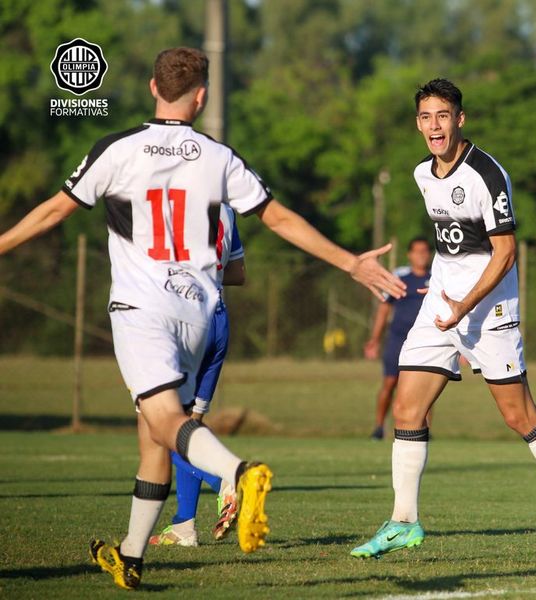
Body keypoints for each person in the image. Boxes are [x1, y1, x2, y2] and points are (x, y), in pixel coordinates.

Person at [0, 47, 404, 590]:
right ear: (202, 96)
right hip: (199, 312)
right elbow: (278, 217)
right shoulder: (218, 157)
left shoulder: (116, 149)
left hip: (143, 310)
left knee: (166, 422)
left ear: (151, 88)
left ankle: (238, 473)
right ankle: (131, 556)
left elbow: (54, 211)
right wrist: (350, 262)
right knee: (155, 439)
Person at [351, 78, 536, 564]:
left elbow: (504, 253)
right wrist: (442, 289)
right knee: (406, 410)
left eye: (442, 115)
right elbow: (453, 243)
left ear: (460, 119)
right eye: (425, 117)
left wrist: (466, 306)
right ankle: (403, 521)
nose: (433, 126)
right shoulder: (422, 174)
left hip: (490, 311)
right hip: (440, 304)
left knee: (517, 415)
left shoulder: (486, 173)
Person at [149, 203, 245, 548]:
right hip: (218, 317)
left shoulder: (173, 202)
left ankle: (227, 479)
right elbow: (238, 272)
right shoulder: (228, 210)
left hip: (184, 318)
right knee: (189, 425)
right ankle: (184, 526)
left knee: (160, 426)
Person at [364, 237, 431, 440]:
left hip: (425, 341)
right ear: (409, 255)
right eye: (416, 251)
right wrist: (374, 339)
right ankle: (378, 427)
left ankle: (423, 430)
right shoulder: (401, 279)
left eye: (425, 251)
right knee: (390, 382)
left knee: (426, 386)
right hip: (398, 339)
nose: (421, 255)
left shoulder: (436, 278)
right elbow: (385, 309)